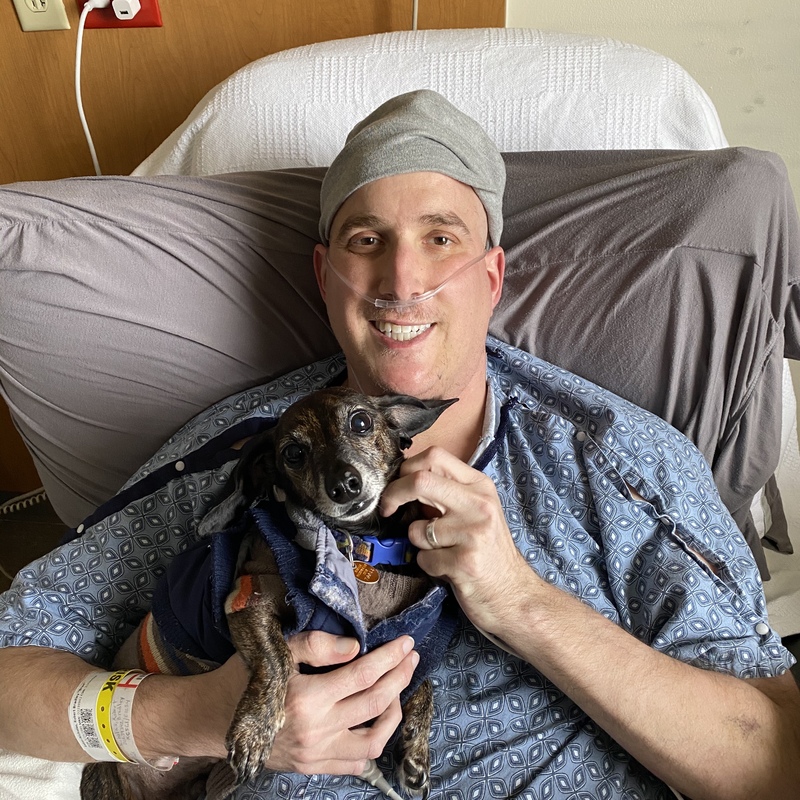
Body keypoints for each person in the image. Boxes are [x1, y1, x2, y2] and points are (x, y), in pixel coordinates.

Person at [1, 89, 799, 800]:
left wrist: (523, 601)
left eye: (441, 238)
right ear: (324, 275)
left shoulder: (619, 465)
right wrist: (196, 717)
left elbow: (776, 759)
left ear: (493, 277)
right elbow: (9, 673)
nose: (400, 279)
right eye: (365, 240)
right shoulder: (246, 455)